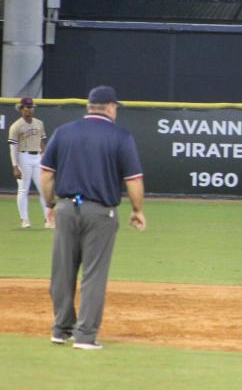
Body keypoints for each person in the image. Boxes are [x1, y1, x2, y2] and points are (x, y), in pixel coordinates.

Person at [39, 85, 146, 350]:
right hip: (100, 212)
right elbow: (133, 179)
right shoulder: (120, 136)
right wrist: (137, 210)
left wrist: (51, 204)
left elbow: (45, 174)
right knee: (94, 274)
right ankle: (85, 335)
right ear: (110, 107)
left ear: (89, 107)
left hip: (66, 207)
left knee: (62, 271)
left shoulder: (63, 132)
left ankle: (61, 329)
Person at [8, 97, 54, 229]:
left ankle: (48, 219)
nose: (30, 109)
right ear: (21, 108)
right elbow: (13, 148)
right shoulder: (16, 126)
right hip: (23, 156)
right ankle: (24, 219)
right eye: (27, 107)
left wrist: (46, 158)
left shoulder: (39, 123)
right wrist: (15, 166)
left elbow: (42, 142)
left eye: (31, 107)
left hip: (37, 156)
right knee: (23, 189)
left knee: (43, 189)